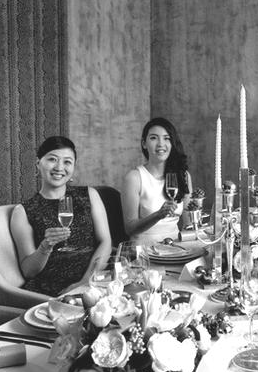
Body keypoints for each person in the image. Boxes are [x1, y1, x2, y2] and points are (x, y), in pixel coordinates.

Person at [10, 136, 112, 296]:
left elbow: (105, 242)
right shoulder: (23, 211)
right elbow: (28, 271)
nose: (59, 167)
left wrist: (85, 282)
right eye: (52, 159)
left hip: (93, 279)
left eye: (67, 162)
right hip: (53, 287)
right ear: (38, 163)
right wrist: (45, 247)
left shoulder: (89, 195)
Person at [122, 117, 192, 244]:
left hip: (176, 248)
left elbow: (189, 224)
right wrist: (158, 215)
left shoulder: (183, 176)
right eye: (154, 138)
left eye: (166, 138)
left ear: (172, 143)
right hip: (144, 250)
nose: (161, 144)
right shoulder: (134, 178)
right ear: (144, 143)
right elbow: (130, 229)